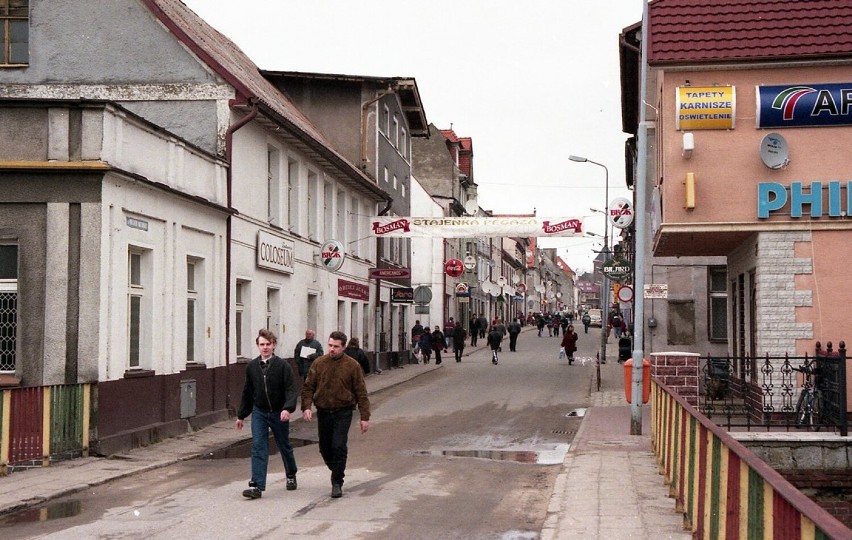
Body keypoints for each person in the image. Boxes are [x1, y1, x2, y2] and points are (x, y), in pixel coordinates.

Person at [301, 331, 370, 499]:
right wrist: (307, 407)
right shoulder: (319, 363)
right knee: (324, 447)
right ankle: (337, 468)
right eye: (330, 345)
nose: (332, 349)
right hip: (323, 411)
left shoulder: (352, 366)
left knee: (338, 445)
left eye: (336, 347)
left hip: (343, 411)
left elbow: (361, 391)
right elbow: (308, 387)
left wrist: (364, 417)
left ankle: (337, 482)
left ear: (343, 347)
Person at [236, 329, 299, 499]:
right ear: (257, 346)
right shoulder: (252, 367)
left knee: (284, 444)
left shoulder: (283, 366)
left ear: (274, 345)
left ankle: (291, 474)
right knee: (258, 445)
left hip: (279, 412)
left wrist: (287, 408)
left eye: (268, 344)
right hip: (260, 412)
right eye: (262, 344)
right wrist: (241, 415)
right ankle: (257, 485)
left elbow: (291, 389)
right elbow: (248, 392)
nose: (265, 347)